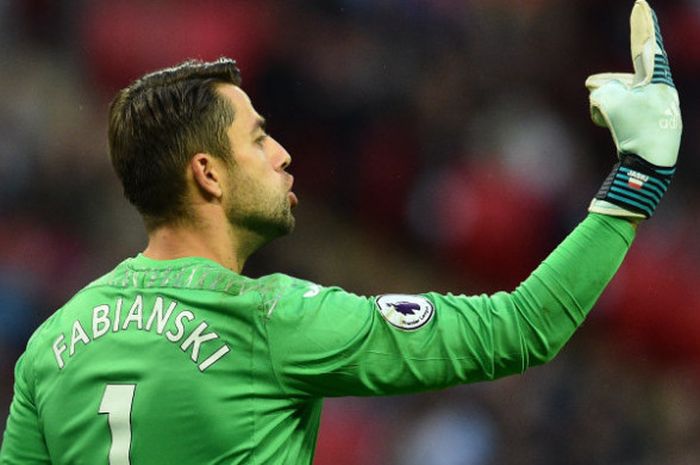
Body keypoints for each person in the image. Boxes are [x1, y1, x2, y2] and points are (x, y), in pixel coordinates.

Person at [0, 1, 681, 464]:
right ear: (207, 175)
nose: (282, 154)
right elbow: (521, 327)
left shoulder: (52, 343)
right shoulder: (273, 321)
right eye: (259, 139)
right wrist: (639, 174)